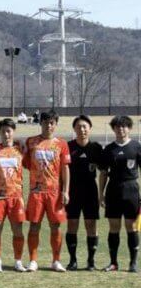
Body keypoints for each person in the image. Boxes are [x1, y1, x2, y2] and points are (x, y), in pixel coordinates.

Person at [23, 110, 70, 272]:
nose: (48, 126)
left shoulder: (61, 144)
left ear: (55, 125)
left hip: (54, 193)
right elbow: (26, 163)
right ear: (40, 123)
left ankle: (56, 261)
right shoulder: (31, 142)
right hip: (36, 192)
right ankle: (33, 261)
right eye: (45, 122)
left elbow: (65, 169)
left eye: (52, 123)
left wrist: (65, 191)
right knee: (34, 225)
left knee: (55, 226)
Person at [98, 115, 141, 272]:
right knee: (114, 227)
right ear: (113, 129)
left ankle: (133, 263)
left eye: (124, 126)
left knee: (132, 227)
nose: (120, 129)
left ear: (129, 128)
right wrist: (101, 194)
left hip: (131, 190)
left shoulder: (136, 146)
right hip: (113, 190)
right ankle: (113, 262)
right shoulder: (109, 149)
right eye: (117, 126)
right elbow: (103, 173)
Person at [0, 119, 27, 272]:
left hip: (16, 197)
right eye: (3, 131)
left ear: (13, 132)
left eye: (9, 131)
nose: (6, 134)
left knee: (18, 230)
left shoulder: (20, 149)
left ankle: (18, 262)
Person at [65, 115, 102, 271]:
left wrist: (102, 194)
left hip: (90, 192)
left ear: (90, 129)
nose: (82, 129)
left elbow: (104, 170)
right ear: (74, 129)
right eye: (79, 127)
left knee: (91, 225)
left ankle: (91, 261)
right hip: (72, 191)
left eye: (84, 126)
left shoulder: (96, 148)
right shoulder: (68, 147)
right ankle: (72, 260)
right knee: (72, 224)